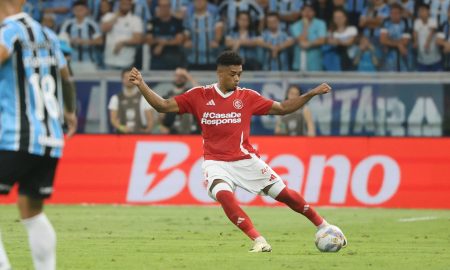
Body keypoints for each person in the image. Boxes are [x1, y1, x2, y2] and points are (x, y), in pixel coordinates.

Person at [128, 50, 347, 252]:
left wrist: (311, 94)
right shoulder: (199, 96)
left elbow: (282, 109)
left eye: (239, 74)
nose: (237, 79)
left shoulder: (247, 97)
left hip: (246, 160)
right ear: (220, 73)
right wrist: (141, 85)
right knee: (224, 195)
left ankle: (324, 226)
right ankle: (259, 240)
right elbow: (163, 106)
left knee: (285, 195)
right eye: (233, 74)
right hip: (215, 162)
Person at [0, 0, 77, 269]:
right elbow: (66, 78)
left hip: (15, 135)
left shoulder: (8, 31)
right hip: (50, 139)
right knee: (31, 211)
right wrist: (70, 112)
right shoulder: (48, 35)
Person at [59, 0, 103, 73]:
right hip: (72, 61)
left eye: (81, 9)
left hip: (89, 62)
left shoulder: (92, 24)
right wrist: (70, 40)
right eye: (76, 10)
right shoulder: (68, 24)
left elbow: (99, 41)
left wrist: (83, 41)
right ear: (73, 11)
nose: (79, 12)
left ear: (86, 10)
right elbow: (61, 40)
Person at [108, 68, 155, 134]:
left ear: (135, 78)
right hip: (121, 136)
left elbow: (150, 120)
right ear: (122, 79)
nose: (128, 80)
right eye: (125, 77)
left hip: (139, 136)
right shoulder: (115, 98)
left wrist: (146, 132)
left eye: (130, 77)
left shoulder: (144, 98)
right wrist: (122, 128)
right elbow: (113, 120)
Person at [101, 0, 143, 70]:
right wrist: (116, 16)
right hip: (109, 61)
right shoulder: (109, 16)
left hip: (127, 62)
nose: (125, 6)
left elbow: (137, 39)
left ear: (131, 5)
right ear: (119, 4)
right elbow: (104, 29)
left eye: (127, 4)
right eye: (123, 3)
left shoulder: (136, 20)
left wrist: (123, 43)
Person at [184, 0, 224, 70]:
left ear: (206, 2)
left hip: (212, 61)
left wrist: (216, 40)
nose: (199, 2)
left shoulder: (214, 17)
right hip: (193, 61)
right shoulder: (189, 19)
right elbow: (186, 35)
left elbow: (219, 32)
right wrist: (187, 41)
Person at [159, 68, 200, 134]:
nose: (179, 78)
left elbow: (200, 92)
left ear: (186, 78)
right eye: (177, 75)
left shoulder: (190, 93)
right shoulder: (167, 96)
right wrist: (162, 126)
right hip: (172, 134)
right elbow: (161, 117)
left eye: (182, 76)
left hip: (191, 133)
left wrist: (187, 75)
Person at [146, 0, 185, 70]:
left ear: (170, 7)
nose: (163, 8)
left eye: (166, 6)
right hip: (156, 59)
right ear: (158, 7)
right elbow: (149, 40)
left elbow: (179, 40)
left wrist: (162, 43)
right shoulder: (152, 22)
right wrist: (167, 41)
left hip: (174, 59)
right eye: (161, 6)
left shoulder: (177, 22)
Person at [290, 4, 327, 71]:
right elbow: (301, 41)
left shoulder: (321, 24)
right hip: (299, 62)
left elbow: (322, 40)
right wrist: (305, 27)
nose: (307, 13)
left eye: (309, 11)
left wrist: (309, 44)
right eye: (305, 11)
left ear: (314, 12)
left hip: (315, 63)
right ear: (301, 12)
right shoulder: (295, 26)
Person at [380, 3, 411, 71]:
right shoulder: (385, 21)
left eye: (396, 13)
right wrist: (399, 44)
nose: (394, 15)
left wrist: (390, 41)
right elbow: (383, 40)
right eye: (392, 13)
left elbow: (405, 42)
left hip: (403, 54)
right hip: (389, 54)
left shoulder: (406, 22)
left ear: (401, 14)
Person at [413, 3, 442, 71]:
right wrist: (415, 41)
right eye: (419, 11)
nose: (421, 13)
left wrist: (427, 43)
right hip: (422, 58)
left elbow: (432, 32)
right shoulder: (417, 22)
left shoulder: (433, 20)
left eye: (423, 10)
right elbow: (415, 33)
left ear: (428, 11)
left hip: (435, 57)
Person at [437, 5, 450, 70]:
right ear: (448, 12)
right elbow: (438, 41)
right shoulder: (443, 25)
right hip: (444, 56)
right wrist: (447, 45)